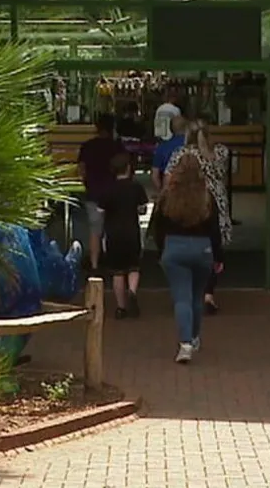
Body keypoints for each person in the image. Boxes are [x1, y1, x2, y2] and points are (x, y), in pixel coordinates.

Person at [152, 152, 223, 364]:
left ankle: (185, 344)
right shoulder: (207, 197)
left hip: (174, 248)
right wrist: (218, 256)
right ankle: (194, 337)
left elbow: (158, 227)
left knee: (181, 298)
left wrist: (161, 250)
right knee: (197, 296)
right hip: (202, 249)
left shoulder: (167, 196)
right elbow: (214, 230)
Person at [165, 120, 232, 314]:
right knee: (213, 246)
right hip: (217, 202)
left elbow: (169, 178)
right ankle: (209, 293)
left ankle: (192, 290)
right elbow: (224, 174)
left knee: (192, 242)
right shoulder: (219, 153)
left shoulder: (181, 154)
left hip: (190, 202)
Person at [99, 152, 147, 319]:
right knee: (134, 267)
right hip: (132, 231)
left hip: (113, 233)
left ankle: (121, 307)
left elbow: (101, 210)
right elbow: (142, 209)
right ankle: (132, 291)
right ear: (129, 168)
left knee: (117, 272)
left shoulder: (108, 189)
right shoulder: (136, 187)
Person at [77, 113, 125, 272]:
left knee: (95, 230)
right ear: (112, 128)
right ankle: (113, 263)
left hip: (93, 192)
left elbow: (81, 169)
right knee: (112, 229)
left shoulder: (87, 146)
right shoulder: (117, 146)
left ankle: (94, 264)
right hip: (113, 193)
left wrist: (85, 182)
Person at [151, 114, 187, 192]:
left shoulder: (162, 147)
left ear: (170, 129)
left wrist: (162, 193)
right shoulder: (192, 146)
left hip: (169, 190)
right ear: (186, 128)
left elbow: (154, 176)